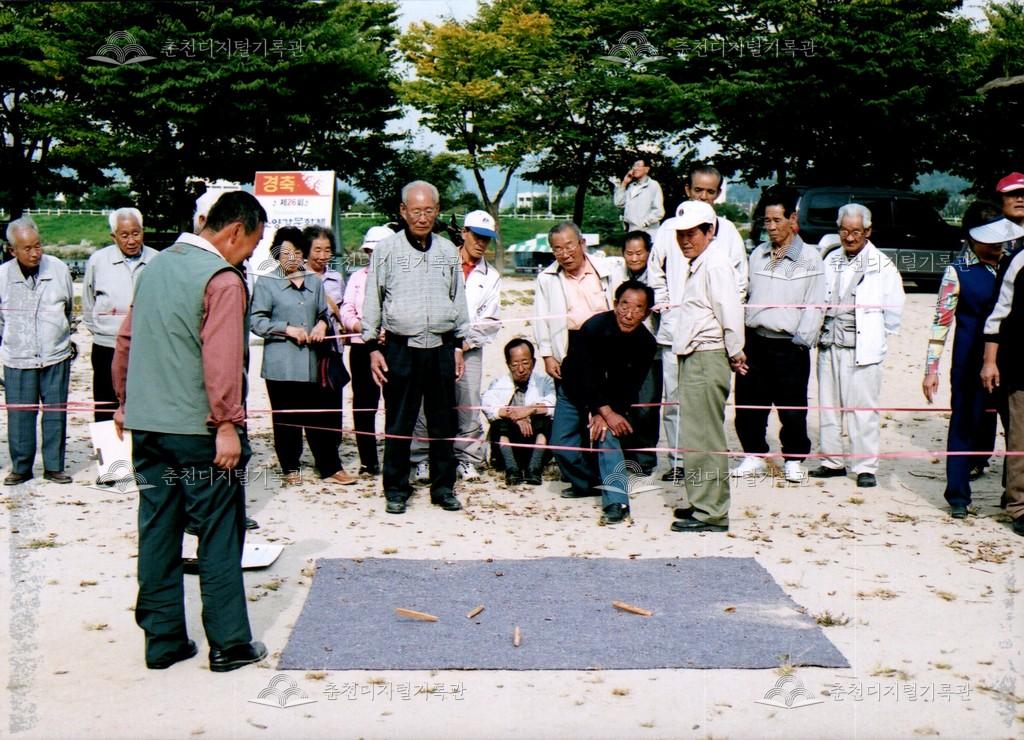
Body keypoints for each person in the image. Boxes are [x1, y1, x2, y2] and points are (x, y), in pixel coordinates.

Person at [112, 191, 268, 671]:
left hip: (147, 427)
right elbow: (223, 358)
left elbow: (126, 340)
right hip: (198, 431)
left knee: (157, 530)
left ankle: (162, 641)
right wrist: (227, 422)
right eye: (253, 245)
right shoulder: (222, 279)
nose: (251, 256)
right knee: (220, 533)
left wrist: (123, 402)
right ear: (234, 232)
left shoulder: (155, 267)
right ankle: (228, 643)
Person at [361, 180, 469, 515]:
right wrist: (371, 346)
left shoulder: (448, 251)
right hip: (400, 348)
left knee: (442, 424)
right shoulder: (387, 250)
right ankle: (396, 488)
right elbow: (372, 300)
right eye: (415, 210)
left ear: (437, 211)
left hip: (440, 347)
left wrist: (458, 345)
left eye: (429, 210)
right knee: (399, 423)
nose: (422, 217)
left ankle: (443, 488)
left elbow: (458, 299)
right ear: (403, 211)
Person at [647, 168, 749, 485]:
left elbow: (739, 283)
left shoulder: (728, 232)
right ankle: (679, 460)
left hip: (710, 336)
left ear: (717, 194)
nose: (703, 196)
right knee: (674, 401)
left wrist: (721, 324)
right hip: (673, 330)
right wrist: (666, 306)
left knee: (707, 407)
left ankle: (705, 466)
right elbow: (656, 273)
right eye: (698, 190)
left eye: (710, 192)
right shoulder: (668, 229)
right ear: (687, 189)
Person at [925, 210, 1020, 518]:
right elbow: (941, 323)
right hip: (968, 360)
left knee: (1015, 428)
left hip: (1011, 359)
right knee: (964, 423)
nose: (998, 245)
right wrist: (931, 368)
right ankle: (958, 495)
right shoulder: (957, 272)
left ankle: (1013, 495)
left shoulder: (1013, 264)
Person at [250, 227, 357, 487]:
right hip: (281, 365)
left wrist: (321, 325)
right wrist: (286, 329)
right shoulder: (266, 282)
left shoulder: (314, 282)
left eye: (297, 252)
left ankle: (330, 466)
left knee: (320, 416)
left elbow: (323, 313)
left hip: (312, 362)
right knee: (286, 418)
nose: (292, 258)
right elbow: (256, 321)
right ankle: (290, 467)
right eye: (285, 252)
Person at [733, 185, 825, 483]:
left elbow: (816, 304)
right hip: (755, 341)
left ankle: (795, 458)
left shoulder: (810, 258)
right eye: (767, 221)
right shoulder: (758, 254)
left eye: (776, 220)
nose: (771, 227)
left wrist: (802, 341)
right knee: (749, 404)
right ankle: (754, 454)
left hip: (790, 345)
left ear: (792, 219)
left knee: (792, 408)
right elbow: (744, 294)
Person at [663, 202, 746, 533]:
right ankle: (702, 502)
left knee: (705, 436)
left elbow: (730, 310)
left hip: (707, 354)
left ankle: (711, 511)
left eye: (692, 233)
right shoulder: (700, 264)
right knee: (695, 435)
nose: (686, 240)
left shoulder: (715, 265)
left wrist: (736, 350)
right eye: (681, 234)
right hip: (695, 355)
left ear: (710, 232)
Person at [810, 204, 905, 488]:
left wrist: (877, 336)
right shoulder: (830, 259)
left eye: (856, 232)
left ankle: (865, 466)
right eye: (844, 231)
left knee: (862, 409)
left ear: (867, 231)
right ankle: (832, 460)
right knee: (827, 405)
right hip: (829, 344)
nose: (849, 237)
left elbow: (894, 309)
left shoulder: (882, 264)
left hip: (862, 347)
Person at [553, 280, 657, 525]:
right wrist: (603, 410)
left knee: (608, 436)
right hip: (576, 389)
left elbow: (631, 386)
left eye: (637, 308)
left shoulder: (646, 343)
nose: (629, 314)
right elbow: (584, 375)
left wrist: (609, 414)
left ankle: (616, 501)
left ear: (647, 313)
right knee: (560, 444)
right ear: (615, 304)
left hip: (613, 400)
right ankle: (586, 484)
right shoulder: (593, 327)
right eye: (624, 305)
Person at [411, 210, 501, 482]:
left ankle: (466, 458)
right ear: (464, 232)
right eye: (477, 235)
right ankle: (421, 459)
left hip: (470, 349)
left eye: (487, 238)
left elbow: (491, 320)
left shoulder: (492, 276)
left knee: (468, 403)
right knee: (426, 402)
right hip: (433, 344)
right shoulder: (438, 261)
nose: (481, 243)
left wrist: (462, 342)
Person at [0, 217, 75, 485]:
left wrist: (62, 335)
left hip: (55, 354)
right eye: (27, 248)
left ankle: (54, 466)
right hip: (17, 357)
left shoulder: (58, 268)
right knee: (20, 414)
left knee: (55, 412)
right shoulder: (2, 276)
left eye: (38, 246)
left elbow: (69, 308)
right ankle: (21, 467)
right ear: (13, 250)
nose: (35, 253)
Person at [82, 208, 158, 424]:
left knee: (146, 404)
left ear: (143, 232)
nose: (131, 240)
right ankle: (112, 457)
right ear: (113, 236)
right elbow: (88, 303)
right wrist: (102, 331)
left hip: (146, 347)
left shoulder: (158, 260)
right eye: (124, 235)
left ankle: (142, 455)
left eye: (136, 233)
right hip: (107, 346)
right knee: (107, 406)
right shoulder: (98, 261)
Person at [534, 221, 625, 384]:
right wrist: (548, 356)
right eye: (558, 249)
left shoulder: (608, 270)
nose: (565, 254)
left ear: (582, 244)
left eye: (569, 246)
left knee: (608, 402)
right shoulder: (546, 278)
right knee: (570, 403)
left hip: (606, 342)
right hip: (570, 344)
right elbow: (541, 320)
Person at [340, 225, 394, 476]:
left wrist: (389, 331)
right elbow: (346, 309)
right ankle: (368, 461)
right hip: (362, 348)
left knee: (395, 403)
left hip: (393, 348)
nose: (376, 256)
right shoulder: (357, 278)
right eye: (371, 251)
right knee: (364, 404)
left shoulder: (400, 278)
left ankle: (396, 458)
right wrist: (361, 326)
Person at [481, 338, 555, 486]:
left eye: (525, 363)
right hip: (509, 444)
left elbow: (552, 403)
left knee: (544, 420)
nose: (521, 369)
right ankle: (511, 468)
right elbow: (488, 404)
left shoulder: (544, 381)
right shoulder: (498, 383)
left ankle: (534, 468)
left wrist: (529, 411)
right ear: (508, 365)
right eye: (515, 364)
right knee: (500, 423)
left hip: (535, 442)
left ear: (533, 362)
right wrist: (514, 415)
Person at [620, 230, 660, 475]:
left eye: (639, 252)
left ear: (649, 252)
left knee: (647, 405)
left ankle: (645, 459)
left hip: (650, 349)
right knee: (624, 403)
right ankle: (624, 456)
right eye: (629, 253)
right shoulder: (617, 275)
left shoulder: (657, 276)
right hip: (621, 349)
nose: (634, 258)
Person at [612, 156, 665, 237]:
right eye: (634, 166)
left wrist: (644, 223)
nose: (635, 168)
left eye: (638, 166)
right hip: (631, 231)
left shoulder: (653, 185)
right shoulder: (631, 186)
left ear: (647, 169)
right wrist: (624, 183)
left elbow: (659, 212)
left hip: (648, 232)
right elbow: (618, 203)